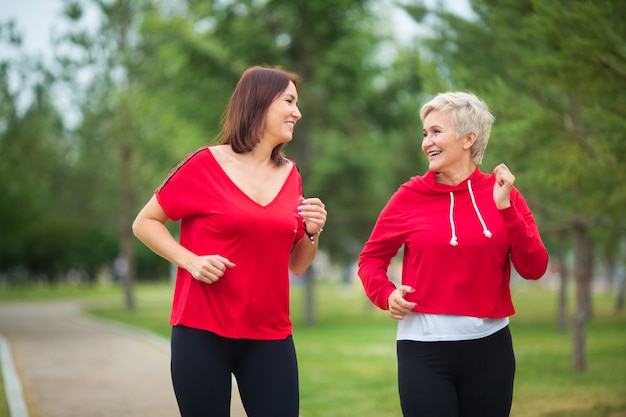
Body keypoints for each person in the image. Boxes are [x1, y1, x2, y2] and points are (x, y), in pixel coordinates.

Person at [132, 65, 327, 417]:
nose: (297, 112)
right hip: (202, 333)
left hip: (270, 336)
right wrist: (190, 260)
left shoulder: (291, 173)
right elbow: (145, 222)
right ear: (260, 103)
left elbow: (296, 264)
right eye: (289, 101)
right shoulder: (204, 164)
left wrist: (312, 233)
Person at [358, 91, 548, 417]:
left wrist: (506, 210)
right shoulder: (409, 196)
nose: (426, 142)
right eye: (424, 133)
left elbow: (534, 268)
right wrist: (386, 294)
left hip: (490, 348)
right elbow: (371, 260)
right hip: (423, 350)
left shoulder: (504, 193)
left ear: (468, 138)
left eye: (436, 132)